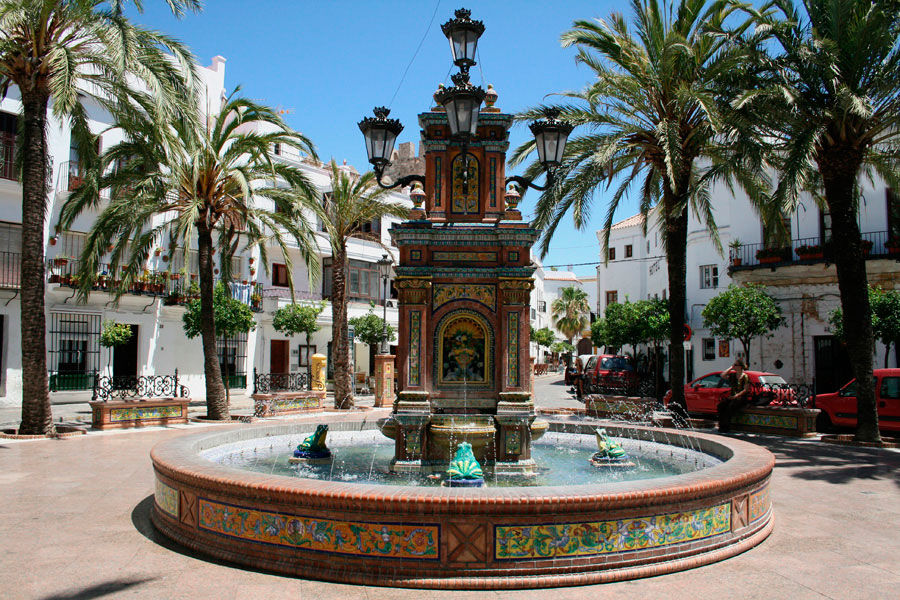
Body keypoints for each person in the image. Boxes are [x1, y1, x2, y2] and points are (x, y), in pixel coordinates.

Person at [718, 359, 750, 433]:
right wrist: (730, 368)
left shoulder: (745, 377)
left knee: (730, 407)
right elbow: (722, 375)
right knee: (721, 405)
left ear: (740, 366)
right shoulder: (733, 375)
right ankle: (721, 426)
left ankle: (726, 427)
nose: (734, 366)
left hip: (741, 398)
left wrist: (736, 396)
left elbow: (746, 389)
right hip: (733, 397)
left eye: (735, 365)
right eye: (734, 365)